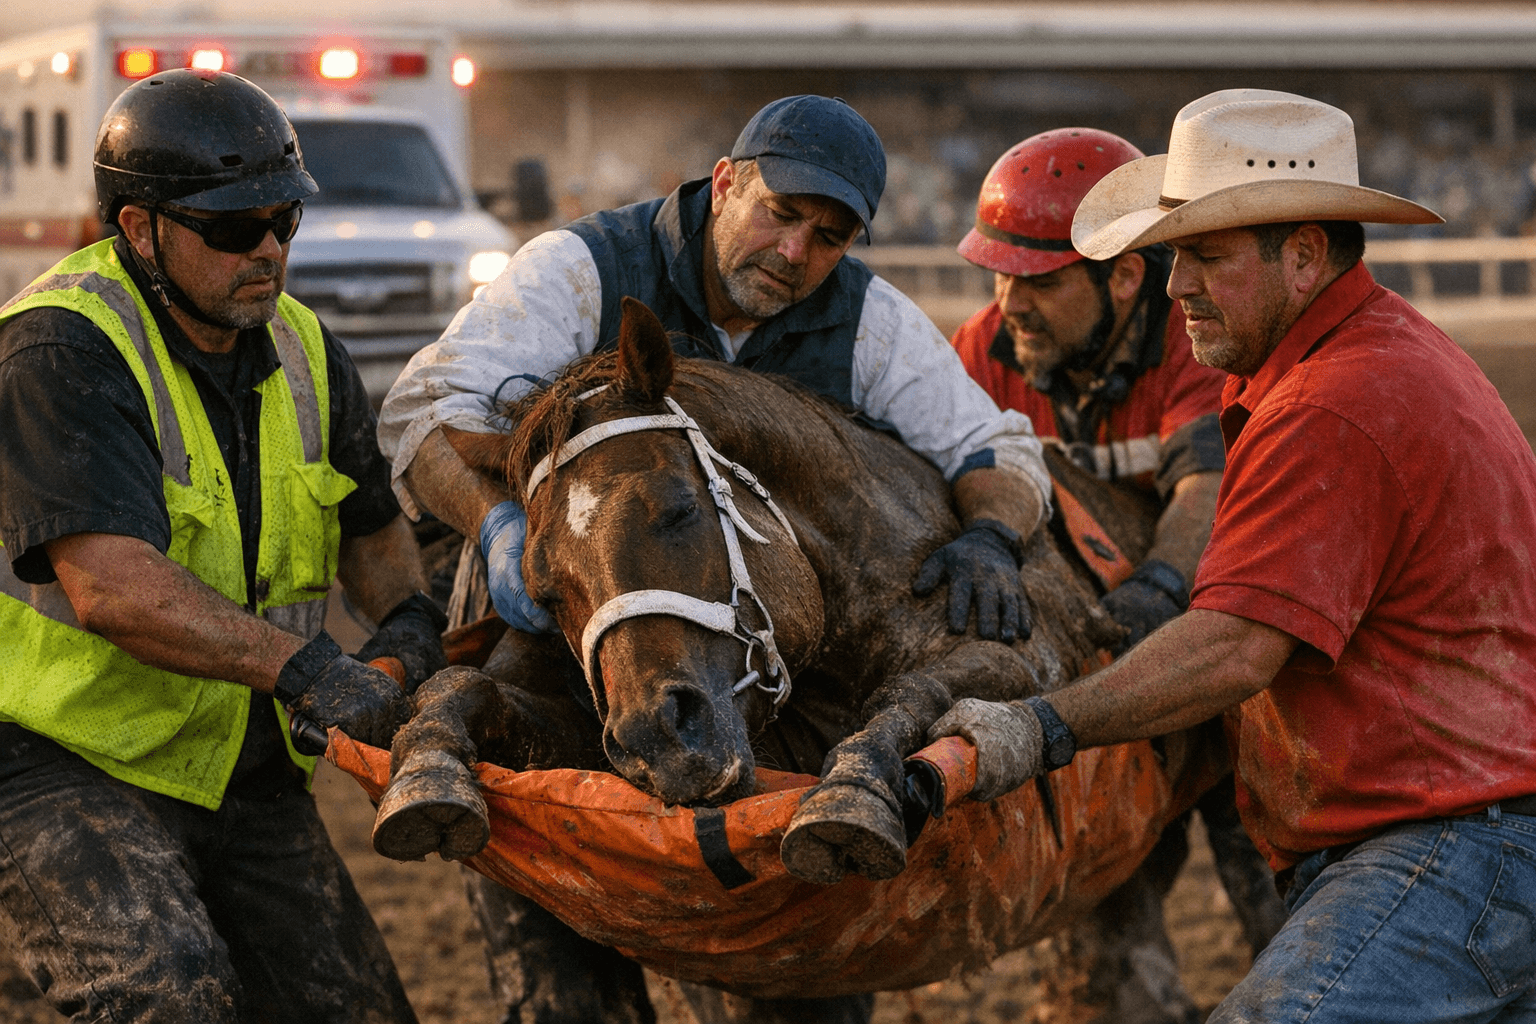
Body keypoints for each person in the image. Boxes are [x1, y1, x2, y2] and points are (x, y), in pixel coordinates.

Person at [379, 94, 1052, 1024]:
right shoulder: (585, 267)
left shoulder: (866, 320)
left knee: (799, 987)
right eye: (780, 213)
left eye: (828, 237)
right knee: (562, 986)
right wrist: (498, 526)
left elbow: (997, 448)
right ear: (727, 183)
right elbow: (425, 408)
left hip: (758, 691)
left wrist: (991, 532)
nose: (794, 254)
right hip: (564, 641)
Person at [930, 88, 1536, 1022]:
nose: (1177, 287)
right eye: (1173, 258)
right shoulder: (1377, 355)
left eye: (1205, 256)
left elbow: (1236, 647)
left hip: (1448, 844)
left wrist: (1036, 727)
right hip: (1463, 828)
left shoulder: (1329, 402)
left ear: (1302, 254)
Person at [0, 69, 444, 1022]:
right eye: (236, 230)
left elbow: (372, 535)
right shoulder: (60, 350)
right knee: (169, 997)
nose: (271, 251)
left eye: (286, 221)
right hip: (51, 762)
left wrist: (409, 624)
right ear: (138, 228)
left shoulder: (307, 351)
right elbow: (111, 588)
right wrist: (311, 670)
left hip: (235, 768)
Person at [951, 126, 1285, 1022]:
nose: (1011, 303)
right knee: (1104, 976)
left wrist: (1158, 588)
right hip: (1109, 693)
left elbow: (1205, 490)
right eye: (1001, 273)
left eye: (1042, 280)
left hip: (1239, 674)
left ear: (1124, 275)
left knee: (1287, 923)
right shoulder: (978, 353)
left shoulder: (1197, 343)